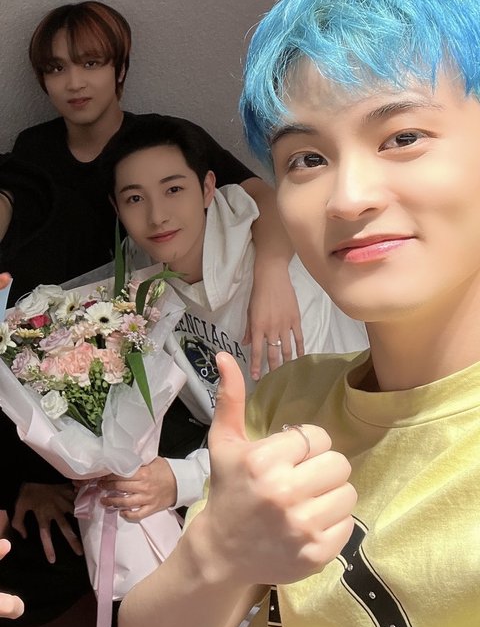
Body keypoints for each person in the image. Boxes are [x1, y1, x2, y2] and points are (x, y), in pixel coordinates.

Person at [118, 0, 480, 627]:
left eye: (402, 137)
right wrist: (218, 555)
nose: (347, 198)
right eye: (307, 159)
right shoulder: (287, 402)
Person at [0, 0, 304, 627]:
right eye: (56, 69)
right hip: (91, 382)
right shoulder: (33, 157)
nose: (74, 82)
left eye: (91, 63)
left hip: (176, 403)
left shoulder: (165, 144)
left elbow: (262, 200)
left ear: (120, 68)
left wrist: (275, 275)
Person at [96, 116, 367, 517]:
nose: (157, 216)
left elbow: (307, 424)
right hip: (224, 455)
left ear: (208, 188)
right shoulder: (137, 270)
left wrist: (184, 479)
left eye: (174, 189)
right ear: (116, 207)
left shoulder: (284, 283)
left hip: (335, 467)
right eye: (135, 199)